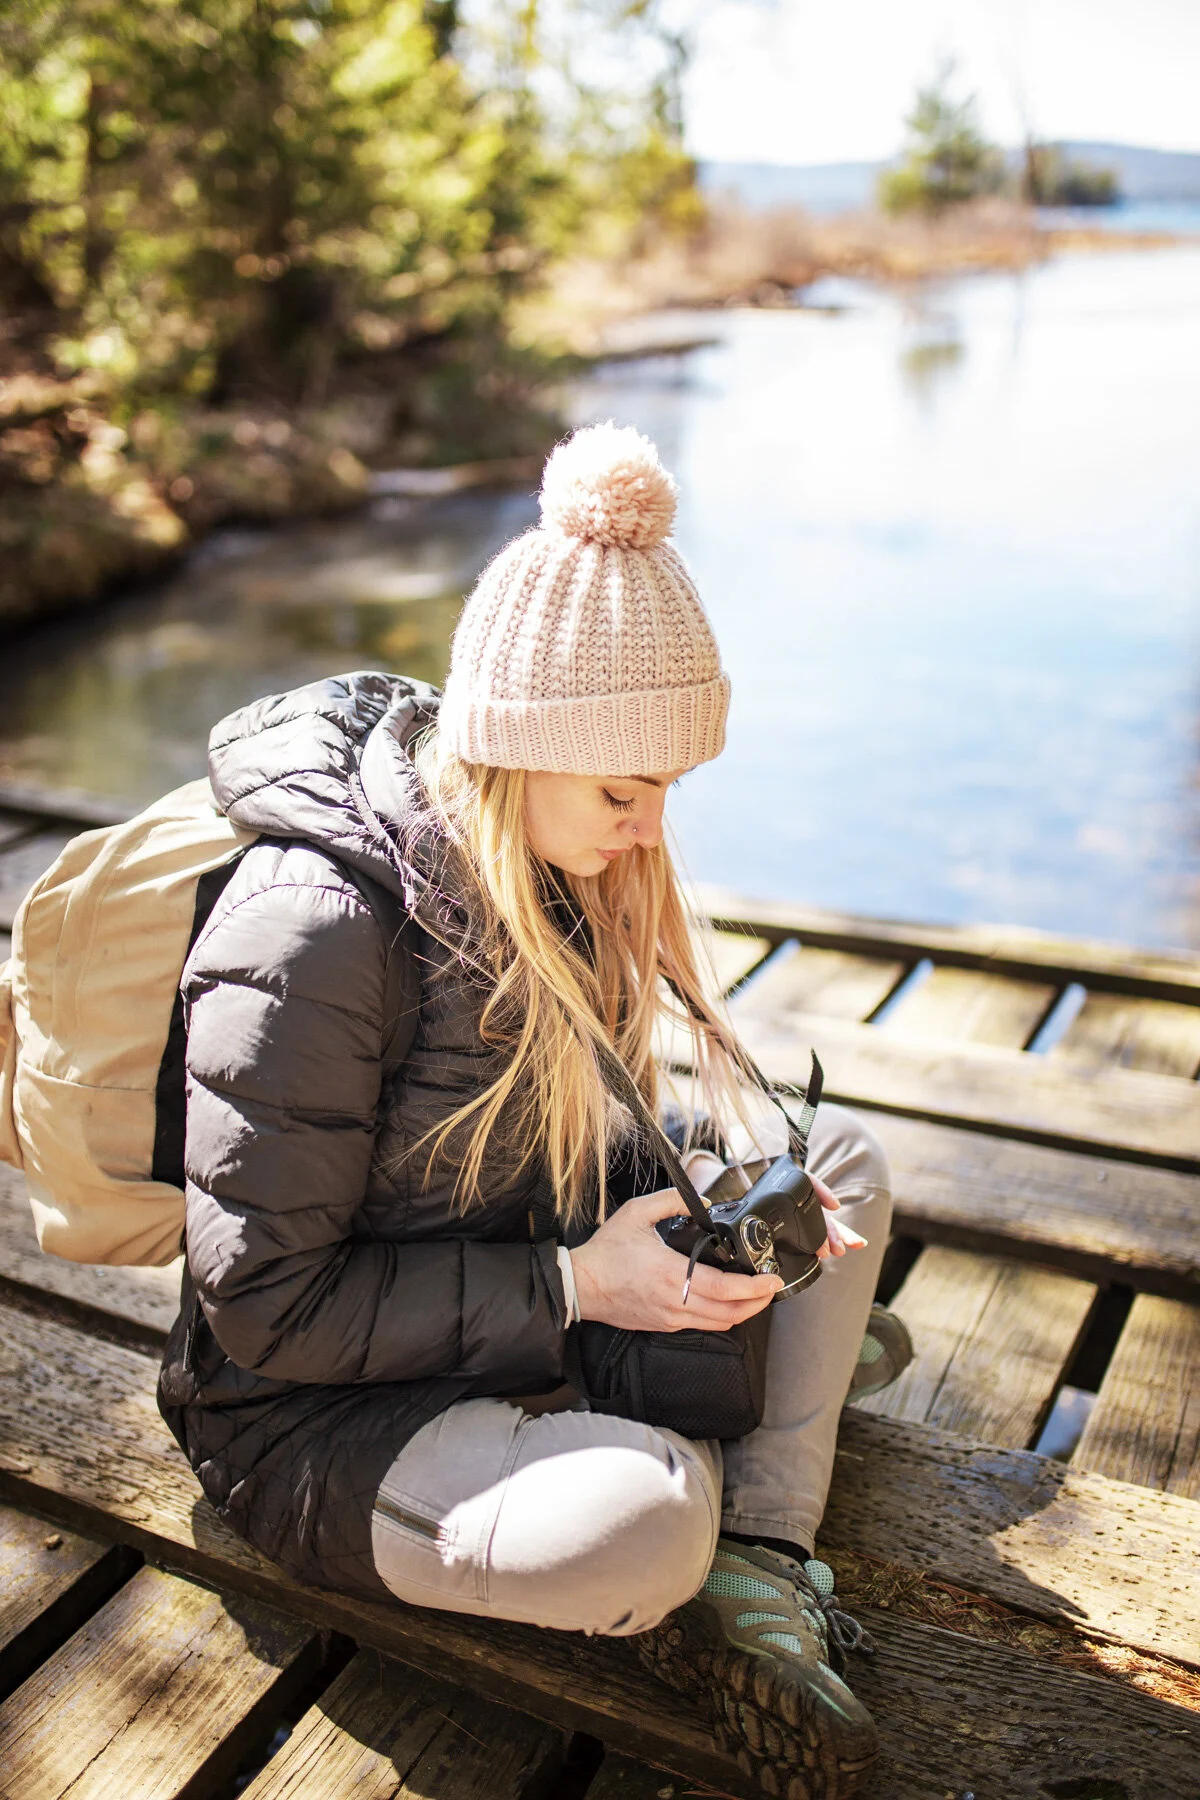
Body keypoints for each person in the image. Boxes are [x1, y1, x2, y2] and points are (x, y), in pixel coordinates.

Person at [158, 422, 911, 1800]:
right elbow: (266, 1305)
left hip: (524, 1317)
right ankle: (737, 1442)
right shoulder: (310, 932)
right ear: (514, 751)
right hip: (312, 1424)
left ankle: (766, 1562)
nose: (650, 829)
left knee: (840, 1161)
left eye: (668, 791)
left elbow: (537, 1141)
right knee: (638, 1530)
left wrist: (699, 1212)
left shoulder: (552, 868)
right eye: (626, 791)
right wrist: (578, 1283)